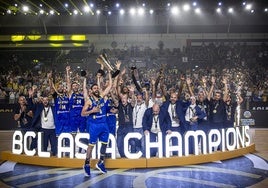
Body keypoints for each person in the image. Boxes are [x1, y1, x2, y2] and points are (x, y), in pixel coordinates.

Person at [81, 71, 112, 177]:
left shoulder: (102, 96)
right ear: (91, 91)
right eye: (94, 88)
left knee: (104, 144)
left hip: (104, 124)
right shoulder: (89, 101)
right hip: (94, 125)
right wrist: (92, 111)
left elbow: (110, 86)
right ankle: (86, 164)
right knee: (91, 146)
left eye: (97, 88)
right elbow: (82, 113)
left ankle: (100, 162)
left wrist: (109, 73)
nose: (97, 89)